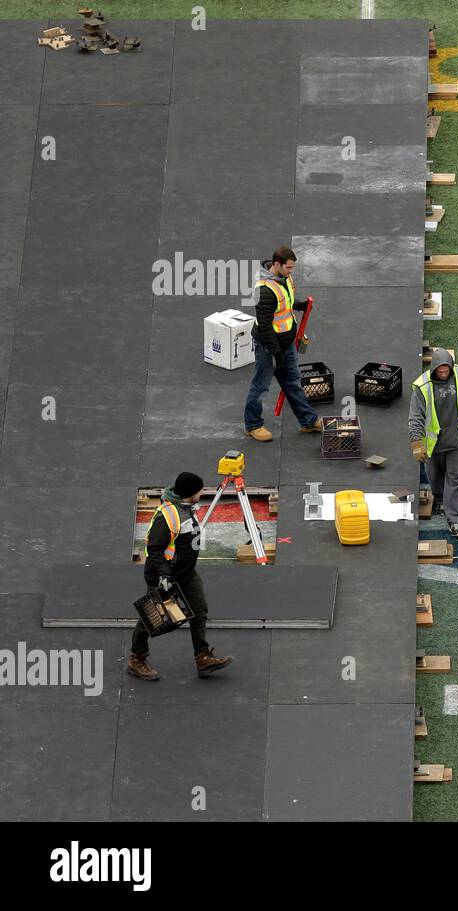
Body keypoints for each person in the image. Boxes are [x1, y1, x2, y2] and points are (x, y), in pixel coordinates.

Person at [128, 472, 233, 681]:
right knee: (154, 618)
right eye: (200, 489)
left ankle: (202, 657)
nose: (203, 492)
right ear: (191, 493)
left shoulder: (186, 507)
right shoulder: (166, 517)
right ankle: (136, 658)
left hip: (186, 573)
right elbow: (155, 549)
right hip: (163, 577)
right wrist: (164, 576)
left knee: (199, 609)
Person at [244, 246, 323, 440]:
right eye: (288, 268)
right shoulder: (263, 289)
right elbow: (264, 326)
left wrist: (299, 305)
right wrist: (276, 352)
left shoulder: (284, 278)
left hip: (286, 343)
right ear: (277, 264)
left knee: (293, 382)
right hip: (268, 347)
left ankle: (308, 420)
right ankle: (253, 425)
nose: (290, 271)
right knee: (261, 385)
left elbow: (285, 302)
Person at [409, 348, 458, 539]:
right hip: (434, 444)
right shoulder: (422, 386)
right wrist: (416, 443)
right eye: (440, 372)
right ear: (433, 369)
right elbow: (416, 417)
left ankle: (455, 519)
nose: (443, 374)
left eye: (446, 370)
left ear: (450, 367)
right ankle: (440, 498)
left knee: (456, 478)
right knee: (435, 476)